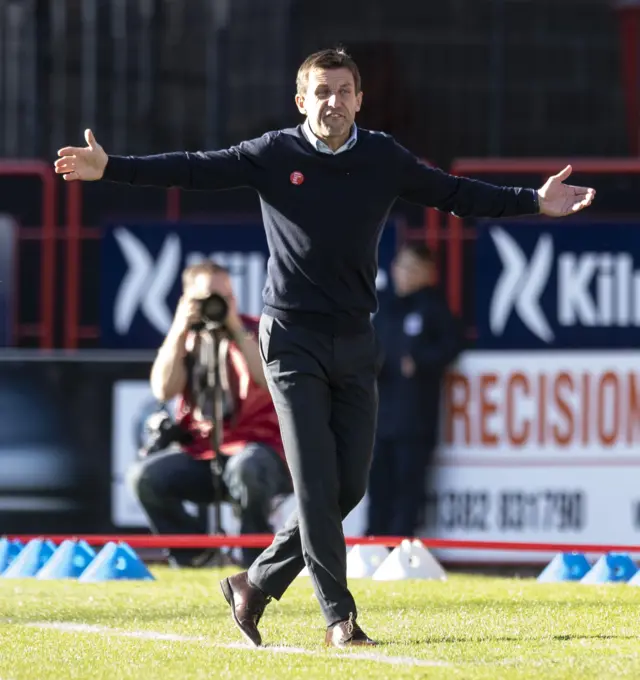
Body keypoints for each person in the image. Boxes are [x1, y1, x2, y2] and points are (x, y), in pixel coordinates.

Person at [54, 47, 595, 648]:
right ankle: (340, 617)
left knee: (348, 488)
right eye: (321, 91)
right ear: (300, 100)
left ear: (360, 99)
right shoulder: (273, 153)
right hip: (290, 340)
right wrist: (113, 167)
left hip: (357, 338)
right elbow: (192, 168)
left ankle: (254, 584)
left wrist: (533, 201)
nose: (332, 101)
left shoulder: (382, 156)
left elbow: (454, 194)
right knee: (314, 484)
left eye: (343, 91)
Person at [126, 261, 291, 570]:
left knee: (247, 468)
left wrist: (234, 330)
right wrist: (178, 328)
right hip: (202, 451)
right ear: (187, 299)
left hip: (259, 451)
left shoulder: (254, 330)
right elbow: (163, 389)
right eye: (209, 297)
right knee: (143, 477)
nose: (219, 304)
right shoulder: (185, 339)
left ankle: (255, 562)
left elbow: (265, 380)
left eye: (227, 296)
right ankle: (195, 555)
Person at [367, 242, 463, 539]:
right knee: (377, 483)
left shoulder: (433, 308)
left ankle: (401, 545)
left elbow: (452, 345)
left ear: (427, 273)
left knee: (408, 485)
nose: (403, 274)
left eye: (411, 268)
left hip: (415, 417)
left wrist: (421, 362)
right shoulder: (382, 307)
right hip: (380, 416)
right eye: (400, 266)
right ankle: (373, 543)